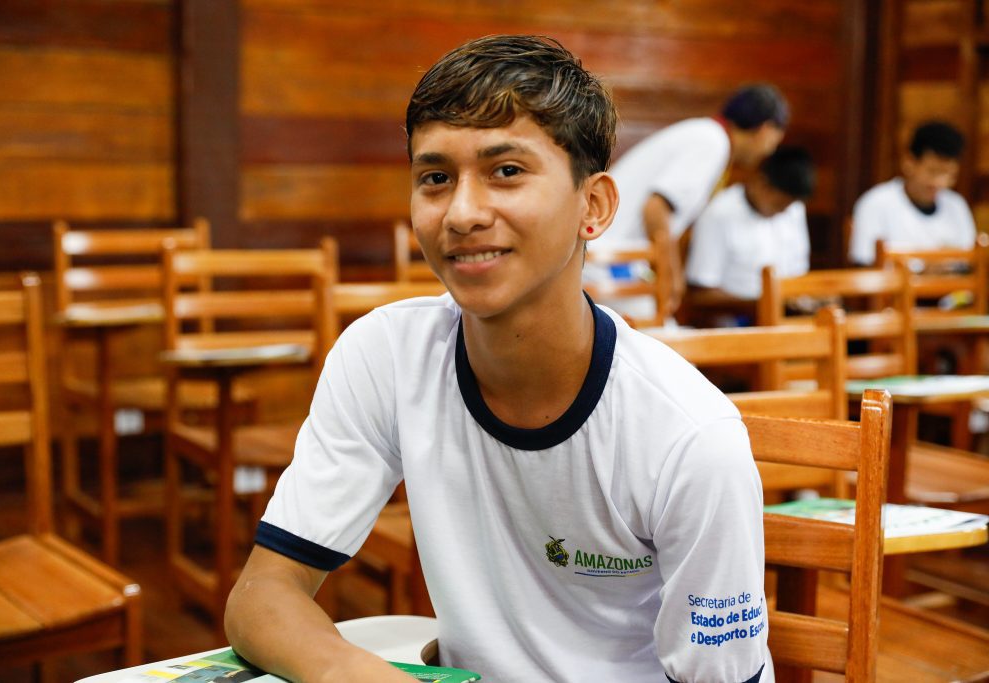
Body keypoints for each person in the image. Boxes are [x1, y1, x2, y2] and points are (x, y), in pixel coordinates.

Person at [225, 35, 772, 683]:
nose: (461, 212)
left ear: (592, 207)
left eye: (506, 171)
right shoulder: (385, 356)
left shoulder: (688, 436)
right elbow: (263, 594)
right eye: (435, 178)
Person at [589, 84, 789, 310]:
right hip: (609, 255)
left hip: (608, 250)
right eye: (775, 140)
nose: (769, 150)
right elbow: (655, 208)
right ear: (765, 129)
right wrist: (670, 275)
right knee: (659, 336)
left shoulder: (706, 135)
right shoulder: (712, 142)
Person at [686, 146, 815, 301]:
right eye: (779, 204)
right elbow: (702, 291)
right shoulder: (719, 214)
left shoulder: (794, 209)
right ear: (761, 184)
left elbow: (799, 272)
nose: (784, 212)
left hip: (789, 311)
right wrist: (763, 307)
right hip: (740, 317)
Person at [849, 120, 977, 266]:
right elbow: (865, 263)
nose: (940, 183)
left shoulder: (956, 206)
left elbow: (970, 262)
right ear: (908, 162)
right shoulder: (876, 203)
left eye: (949, 174)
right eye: (933, 171)